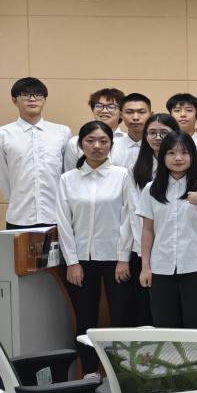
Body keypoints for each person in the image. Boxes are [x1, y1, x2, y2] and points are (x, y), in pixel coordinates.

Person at [55, 120, 133, 370]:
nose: (97, 146)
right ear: (80, 145)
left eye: (103, 141)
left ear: (111, 144)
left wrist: (123, 258)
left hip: (116, 260)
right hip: (81, 261)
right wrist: (72, 261)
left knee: (120, 317)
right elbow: (64, 223)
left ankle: (121, 372)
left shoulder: (123, 175)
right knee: (85, 318)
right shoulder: (68, 179)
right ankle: (89, 372)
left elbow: (128, 218)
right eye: (90, 141)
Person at [138, 131, 197, 329]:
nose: (178, 158)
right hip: (161, 267)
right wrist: (145, 267)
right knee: (164, 325)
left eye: (184, 152)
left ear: (192, 156)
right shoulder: (151, 189)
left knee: (195, 323)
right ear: (162, 156)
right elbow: (147, 230)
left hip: (195, 266)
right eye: (171, 153)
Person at [0, 77, 71, 228]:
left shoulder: (62, 132)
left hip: (56, 215)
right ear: (14, 100)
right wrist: (16, 199)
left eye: (38, 95)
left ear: (44, 100)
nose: (32, 99)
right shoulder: (0, 135)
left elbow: (67, 173)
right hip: (19, 216)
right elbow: (0, 175)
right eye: (25, 94)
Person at [126, 113, 180, 325]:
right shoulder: (136, 169)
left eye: (163, 133)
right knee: (149, 312)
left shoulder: (187, 165)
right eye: (152, 133)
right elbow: (133, 214)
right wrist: (142, 254)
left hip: (178, 248)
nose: (157, 138)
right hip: (145, 249)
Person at [63, 87, 125, 168]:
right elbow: (71, 173)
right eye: (99, 106)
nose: (104, 111)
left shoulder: (128, 142)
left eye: (111, 106)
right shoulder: (75, 142)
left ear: (121, 112)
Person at [112, 93, 151, 170]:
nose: (135, 117)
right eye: (129, 112)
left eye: (142, 112)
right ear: (121, 115)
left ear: (151, 115)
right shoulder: (112, 145)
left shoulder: (158, 146)